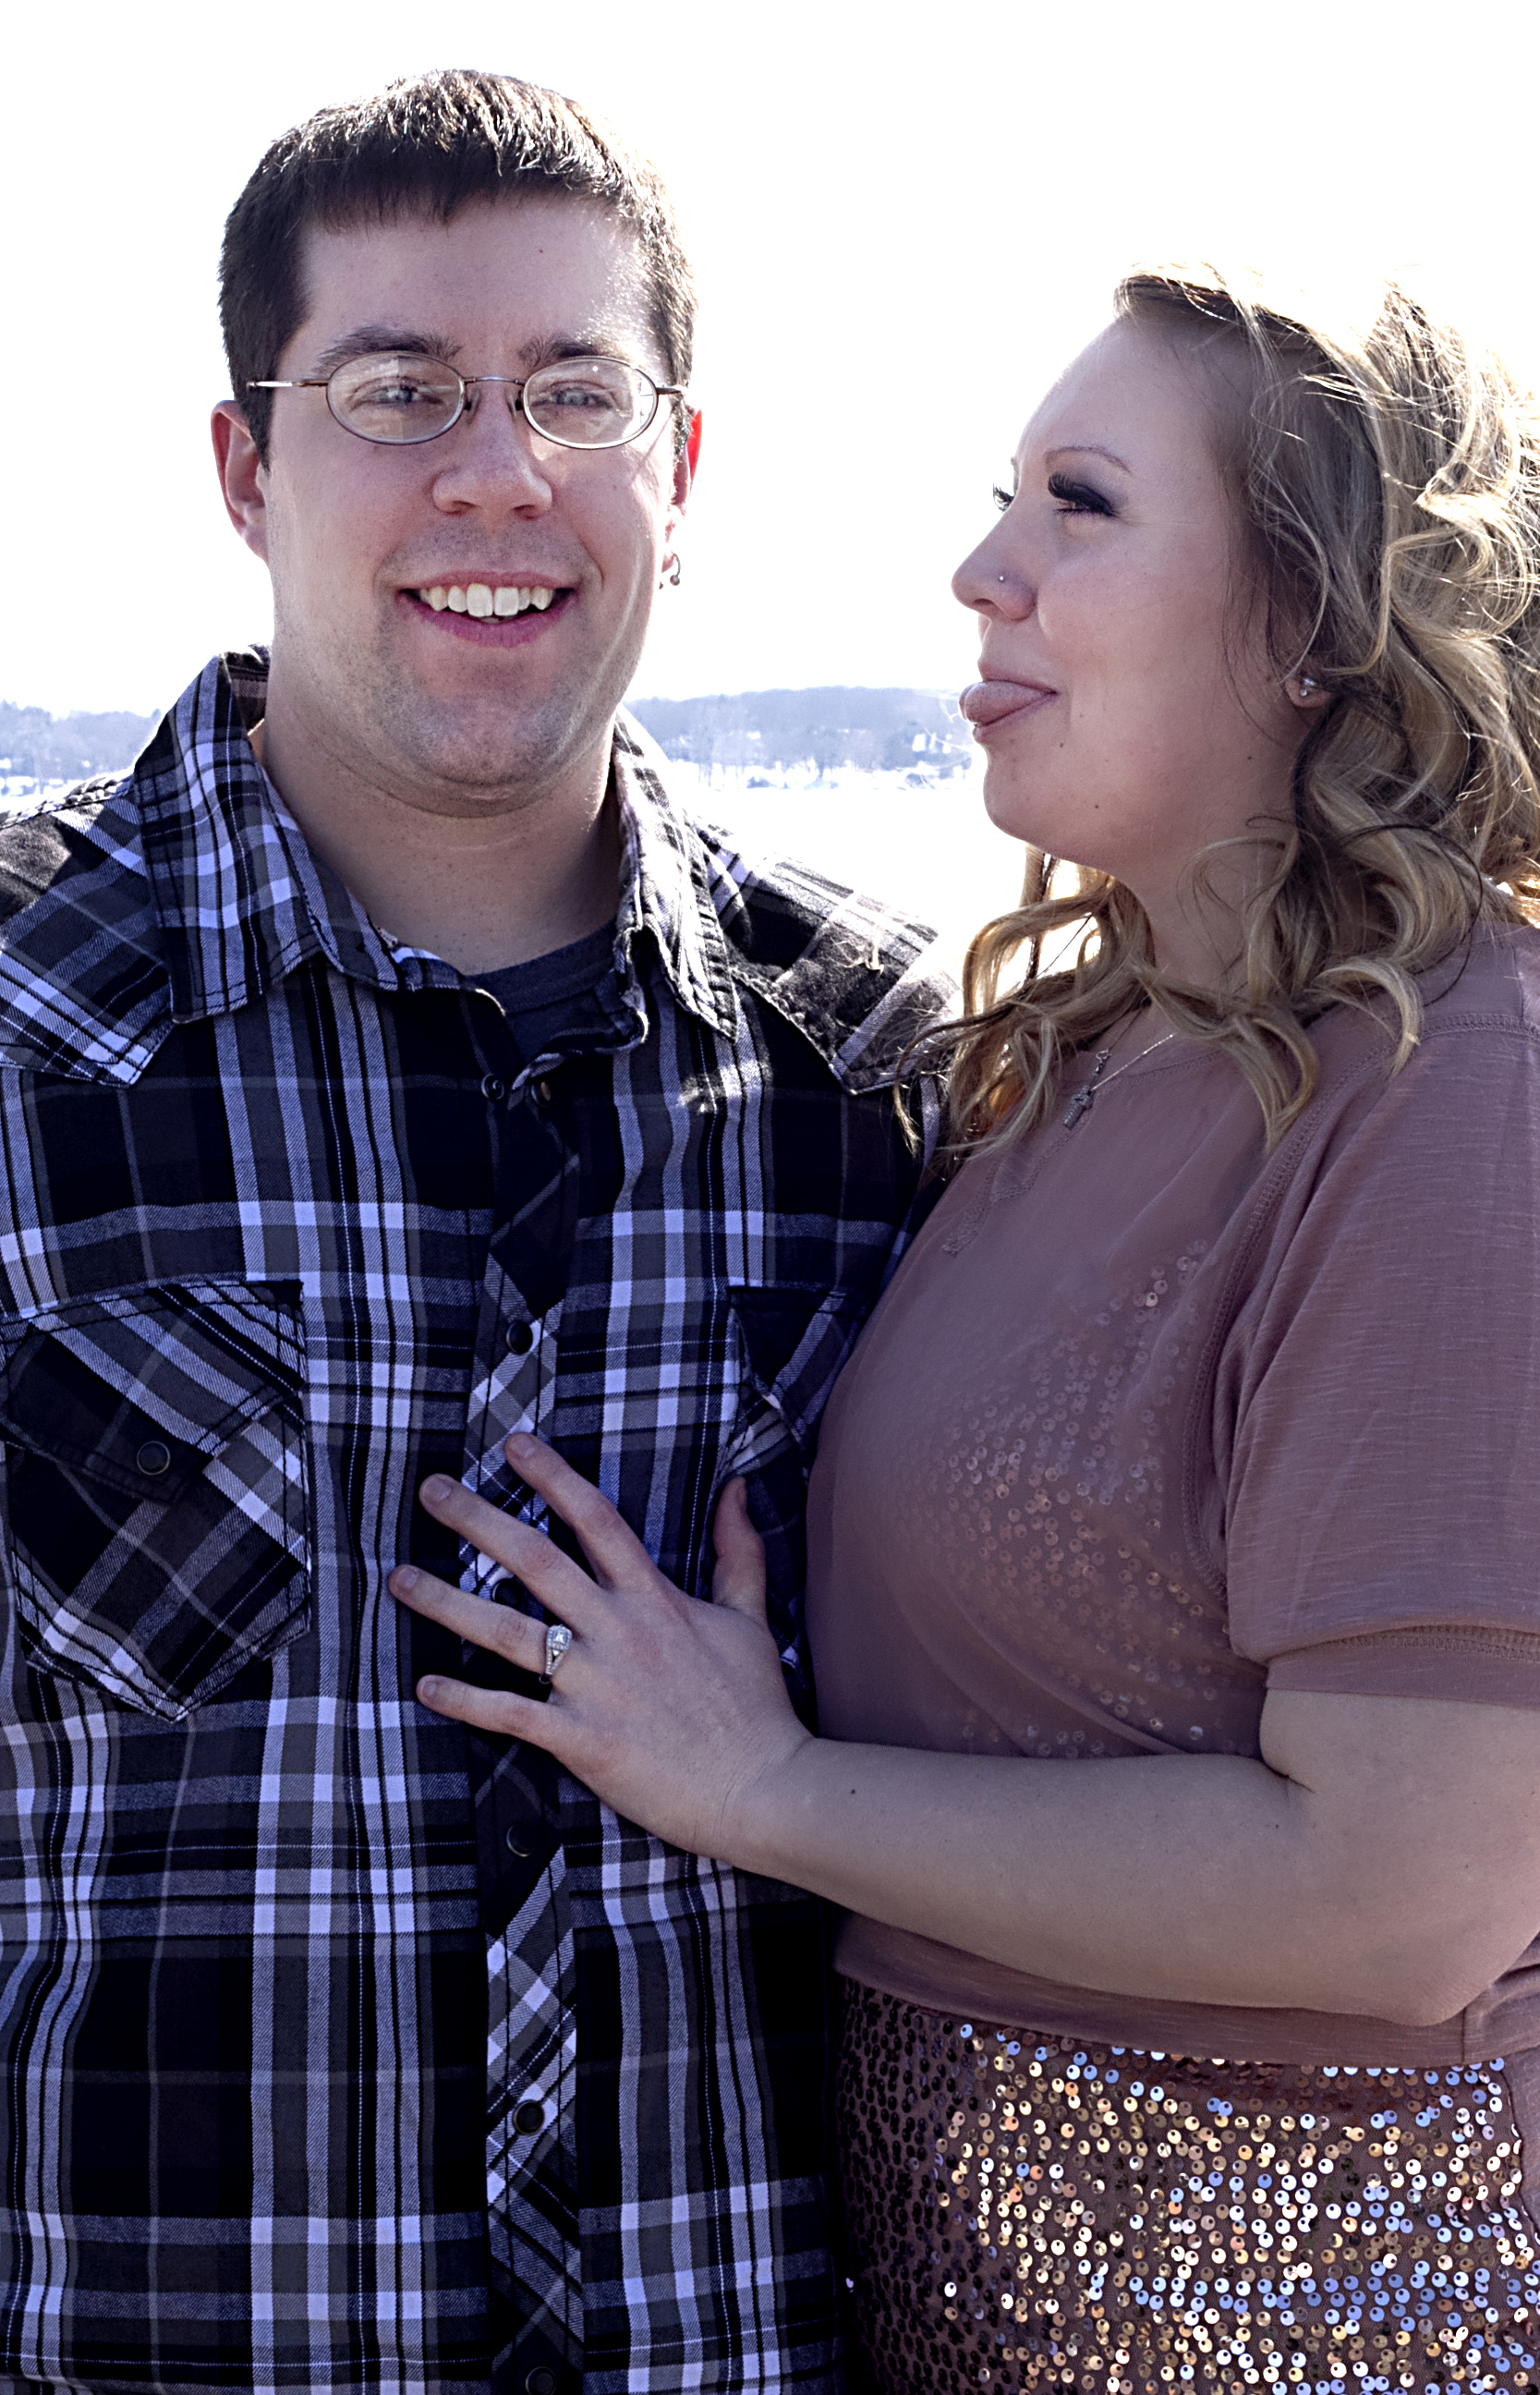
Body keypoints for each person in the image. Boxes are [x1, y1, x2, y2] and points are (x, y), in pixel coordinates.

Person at [390, 265, 1540, 2395]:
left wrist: (765, 1789)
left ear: (1319, 622)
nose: (983, 570)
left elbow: (1406, 1897)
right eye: (1004, 497)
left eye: (1083, 504)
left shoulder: (1468, 1085)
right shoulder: (1084, 1059)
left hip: (1344, 2335)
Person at [0, 68, 946, 2395]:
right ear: (247, 470)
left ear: (680, 469)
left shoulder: (891, 1069)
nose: (498, 471)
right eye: (399, 391)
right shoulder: (22, 1021)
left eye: (574, 392)